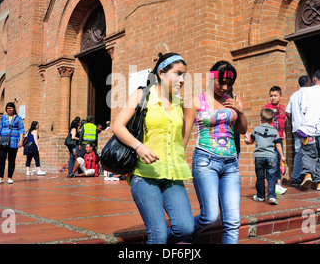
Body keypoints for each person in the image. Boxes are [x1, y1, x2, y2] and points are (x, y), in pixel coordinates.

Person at [113, 53, 194, 244]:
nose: (182, 80)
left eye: (185, 76)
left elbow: (182, 139)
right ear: (161, 73)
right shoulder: (142, 95)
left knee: (185, 228)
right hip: (144, 174)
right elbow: (118, 126)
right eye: (177, 74)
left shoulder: (180, 104)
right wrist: (138, 146)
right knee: (158, 236)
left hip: (172, 175)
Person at [183, 60, 247, 244]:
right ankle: (177, 234)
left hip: (231, 164)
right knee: (210, 216)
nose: (225, 87)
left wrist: (240, 112)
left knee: (233, 221)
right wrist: (177, 161)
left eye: (229, 84)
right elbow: (185, 135)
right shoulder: (196, 101)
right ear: (211, 78)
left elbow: (242, 130)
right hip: (205, 161)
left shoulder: (234, 100)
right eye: (221, 82)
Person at [244, 108, 284, 205]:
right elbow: (278, 144)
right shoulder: (274, 131)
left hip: (259, 157)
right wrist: (282, 156)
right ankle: (271, 196)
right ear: (272, 120)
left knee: (260, 177)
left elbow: (251, 141)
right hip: (271, 156)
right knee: (271, 177)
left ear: (260, 118)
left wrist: (246, 139)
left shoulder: (256, 129)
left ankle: (260, 196)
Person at [285, 75, 311, 186]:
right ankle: (309, 176)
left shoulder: (293, 96)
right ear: (307, 83)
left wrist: (295, 120)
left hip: (297, 128)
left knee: (299, 152)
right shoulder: (310, 94)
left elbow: (287, 112)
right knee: (311, 152)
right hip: (309, 128)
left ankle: (296, 177)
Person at [0, 102, 25, 184]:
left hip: (14, 142)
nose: (9, 109)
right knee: (1, 159)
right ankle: (0, 177)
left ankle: (10, 177)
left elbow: (21, 130)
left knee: (11, 160)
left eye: (10, 108)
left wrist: (21, 140)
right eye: (7, 108)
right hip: (3, 142)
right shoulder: (3, 118)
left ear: (14, 109)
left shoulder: (18, 118)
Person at [263, 86, 287, 195]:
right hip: (270, 140)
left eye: (275, 96)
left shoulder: (282, 108)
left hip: (279, 139)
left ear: (280, 96)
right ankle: (272, 185)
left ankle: (278, 184)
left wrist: (284, 133)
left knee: (279, 160)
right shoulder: (267, 107)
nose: (273, 98)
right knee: (272, 161)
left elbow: (283, 123)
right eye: (271, 96)